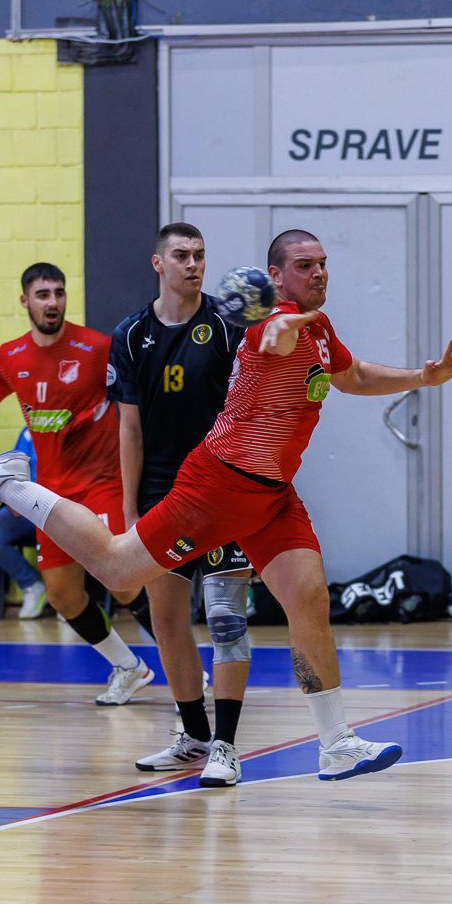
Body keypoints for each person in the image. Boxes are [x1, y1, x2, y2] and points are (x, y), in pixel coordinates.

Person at [0, 230, 452, 781]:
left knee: (309, 597)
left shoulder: (317, 328)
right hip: (217, 485)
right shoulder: (272, 324)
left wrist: (422, 378)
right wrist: (279, 324)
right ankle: (11, 485)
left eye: (322, 263)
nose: (319, 273)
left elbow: (352, 376)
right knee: (118, 568)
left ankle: (336, 743)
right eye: (305, 265)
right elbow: (272, 338)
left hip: (272, 493)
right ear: (276, 277)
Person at [0, 263, 155, 704]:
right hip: (50, 492)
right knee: (62, 595)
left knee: (124, 581)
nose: (52, 302)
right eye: (42, 294)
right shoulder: (11, 357)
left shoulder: (97, 348)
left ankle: (187, 672)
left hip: (102, 482)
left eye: (59, 293)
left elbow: (136, 408)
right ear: (25, 301)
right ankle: (129, 667)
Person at [111, 223, 254, 786]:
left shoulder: (228, 325)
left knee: (225, 619)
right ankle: (194, 737)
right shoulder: (130, 334)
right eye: (181, 255)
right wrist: (129, 511)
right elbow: (129, 429)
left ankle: (226, 747)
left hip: (224, 494)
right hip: (162, 497)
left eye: (199, 255)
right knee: (167, 620)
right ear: (158, 263)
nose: (193, 264)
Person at [0, 428, 48, 619]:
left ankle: (68, 595)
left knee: (64, 529)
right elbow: (12, 472)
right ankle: (32, 585)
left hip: (59, 507)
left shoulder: (73, 426)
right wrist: (11, 497)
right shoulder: (28, 433)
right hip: (27, 507)